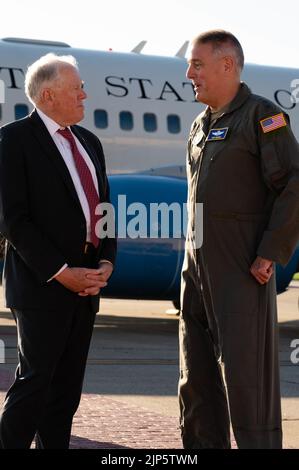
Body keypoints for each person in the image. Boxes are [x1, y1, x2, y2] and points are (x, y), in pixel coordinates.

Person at [179, 30, 299, 449]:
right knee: (195, 375)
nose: (189, 72)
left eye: (197, 64)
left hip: (241, 265)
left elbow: (293, 185)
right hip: (195, 266)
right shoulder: (199, 125)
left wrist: (270, 252)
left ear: (227, 65)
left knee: (247, 379)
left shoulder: (262, 118)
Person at [0, 53, 116, 449]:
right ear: (48, 95)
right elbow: (13, 220)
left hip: (86, 286)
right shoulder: (13, 139)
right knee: (34, 386)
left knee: (65, 395)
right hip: (41, 285)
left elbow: (104, 210)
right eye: (77, 88)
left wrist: (105, 262)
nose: (85, 94)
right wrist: (61, 271)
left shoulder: (90, 142)